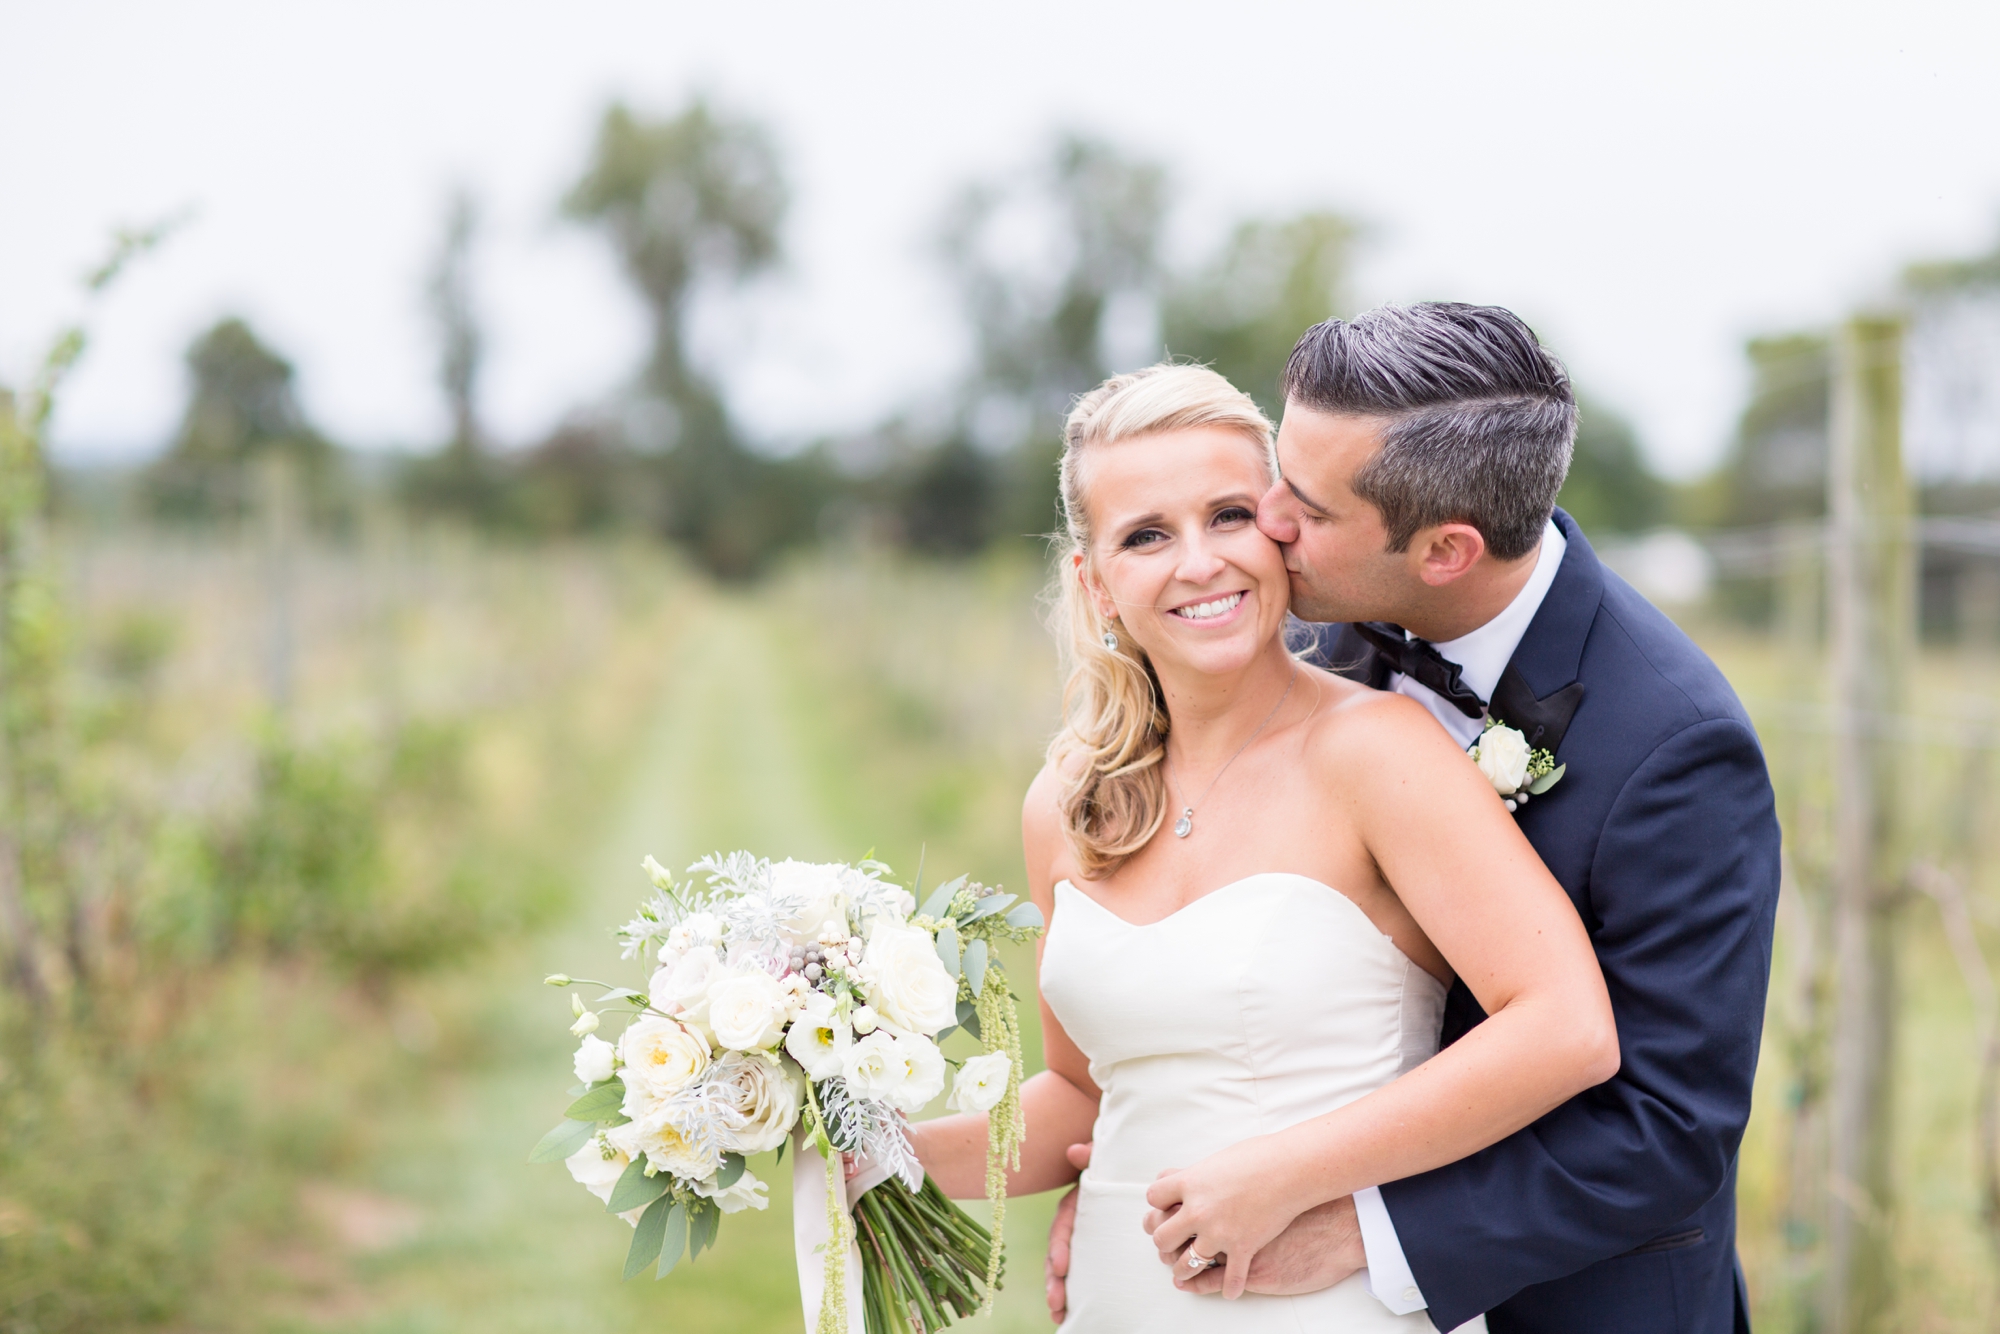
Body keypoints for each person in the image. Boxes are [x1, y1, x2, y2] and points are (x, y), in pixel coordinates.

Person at [1049, 305, 1782, 1332]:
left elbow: (1664, 1126)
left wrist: (1360, 1228)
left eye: (1300, 504)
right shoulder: (1324, 637)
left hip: (1574, 1302)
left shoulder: (1673, 744)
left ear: (1442, 549)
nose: (1263, 521)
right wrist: (1129, 1173)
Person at [907, 360, 1620, 1332]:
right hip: (1119, 1302)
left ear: (1281, 528)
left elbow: (1563, 1025)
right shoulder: (1067, 803)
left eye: (1228, 514)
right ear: (1095, 579)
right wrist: (875, 1144)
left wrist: (1284, 1174)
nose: (1197, 561)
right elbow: (1082, 1093)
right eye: (1146, 534)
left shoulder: (1377, 750)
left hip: (1325, 1297)